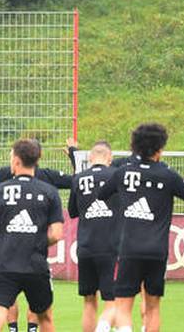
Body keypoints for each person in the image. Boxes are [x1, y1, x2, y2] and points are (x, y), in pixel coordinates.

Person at [95, 123, 184, 332]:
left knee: (123, 305)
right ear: (160, 147)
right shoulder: (168, 175)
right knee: (153, 308)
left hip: (128, 249)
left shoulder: (123, 172)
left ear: (135, 146)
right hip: (157, 251)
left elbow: (101, 195)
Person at [0, 137, 77, 332]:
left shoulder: (0, 187)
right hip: (36, 264)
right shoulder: (49, 186)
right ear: (38, 157)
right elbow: (78, 180)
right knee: (46, 317)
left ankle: (14, 328)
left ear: (15, 160)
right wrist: (75, 154)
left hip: (5, 263)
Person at [70, 140, 120, 332]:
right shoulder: (116, 176)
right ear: (110, 158)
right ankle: (103, 328)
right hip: (110, 245)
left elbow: (73, 212)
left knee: (89, 301)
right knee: (113, 301)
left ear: (90, 158)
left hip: (85, 246)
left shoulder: (79, 179)